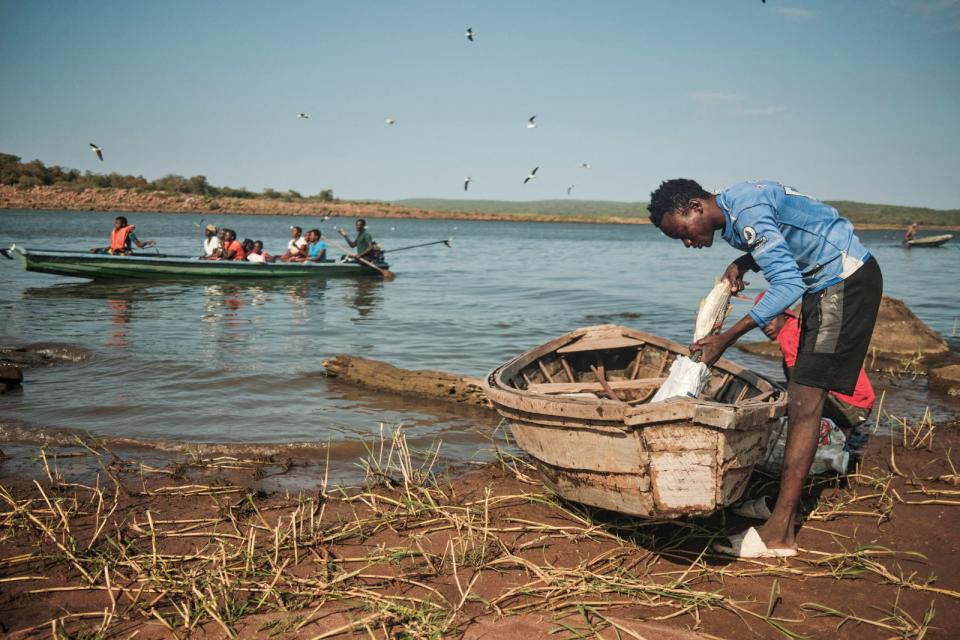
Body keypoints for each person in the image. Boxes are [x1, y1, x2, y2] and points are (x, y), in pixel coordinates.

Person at [648, 178, 882, 558]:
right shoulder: (738, 209)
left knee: (805, 403)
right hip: (826, 284)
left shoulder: (747, 214)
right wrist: (743, 261)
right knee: (802, 399)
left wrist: (727, 338)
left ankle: (779, 533)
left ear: (694, 206)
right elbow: (786, 240)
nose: (688, 244)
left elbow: (787, 285)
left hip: (842, 283)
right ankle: (780, 508)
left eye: (684, 234)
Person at [755, 290, 876, 462]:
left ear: (784, 313)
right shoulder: (799, 327)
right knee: (784, 388)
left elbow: (797, 390)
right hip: (861, 404)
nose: (765, 326)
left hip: (851, 408)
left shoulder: (788, 335)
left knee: (780, 396)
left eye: (770, 319)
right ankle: (843, 429)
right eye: (761, 322)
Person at [91, 216, 155, 255]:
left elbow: (139, 245)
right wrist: (100, 249)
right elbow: (114, 246)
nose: (115, 225)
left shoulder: (130, 234)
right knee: (94, 250)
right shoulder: (116, 232)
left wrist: (147, 242)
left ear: (123, 224)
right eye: (115, 223)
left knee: (127, 254)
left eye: (117, 223)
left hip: (126, 253)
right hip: (115, 252)